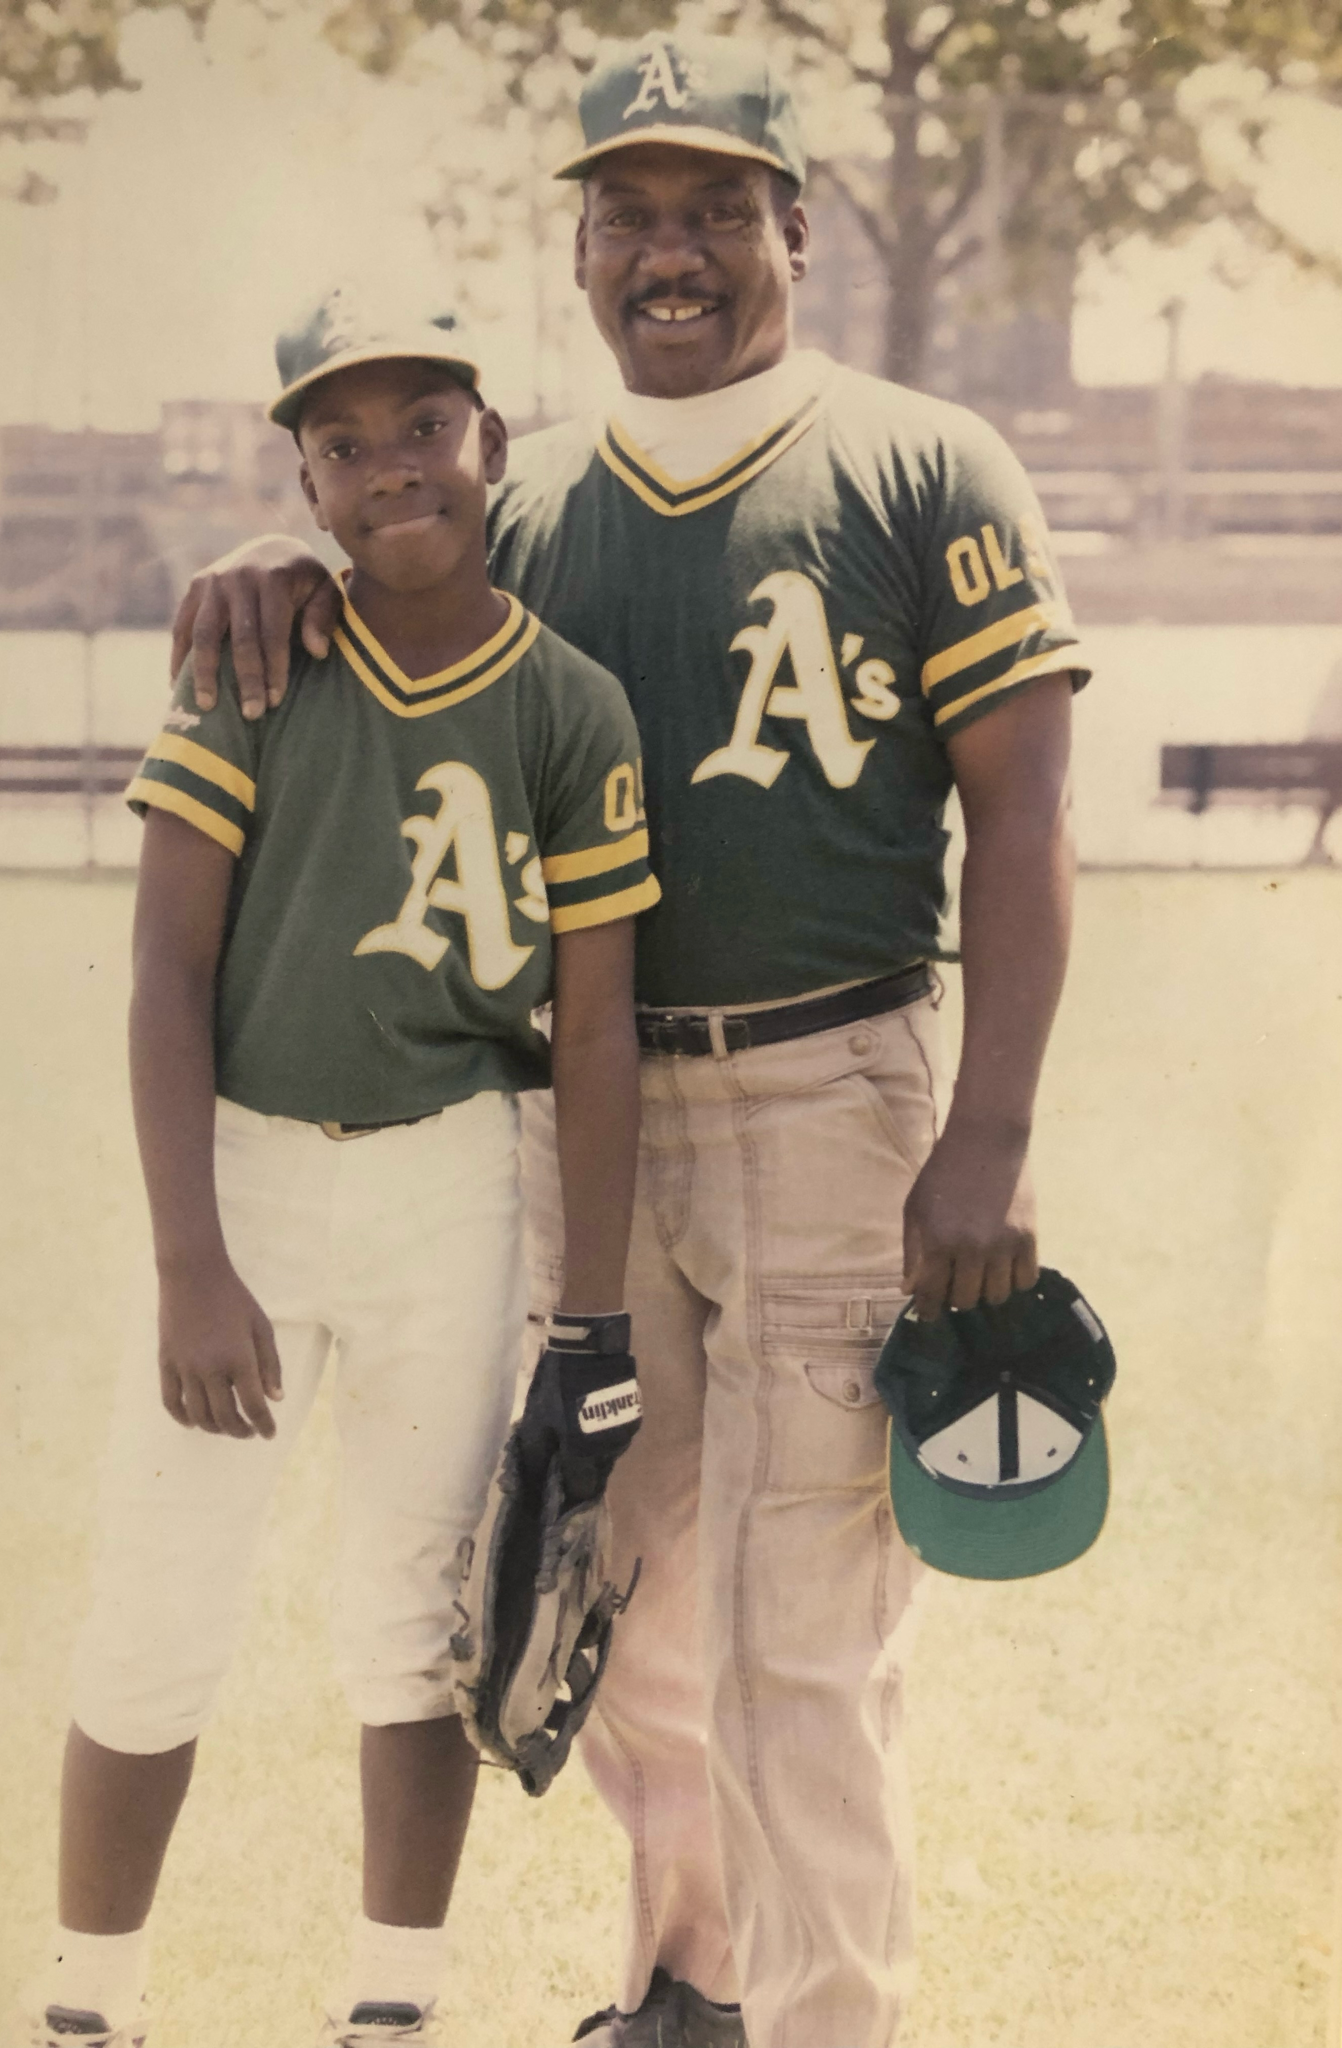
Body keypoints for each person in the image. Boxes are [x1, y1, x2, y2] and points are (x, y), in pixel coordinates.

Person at [170, 33, 1091, 2048]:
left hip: (827, 1093)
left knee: (799, 1632)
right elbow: (376, 596)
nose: (667, 253)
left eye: (710, 212)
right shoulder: (531, 499)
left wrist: (991, 1137)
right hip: (571, 1123)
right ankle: (686, 1977)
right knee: (613, 1606)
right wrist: (271, 562)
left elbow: (1020, 811)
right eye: (627, 216)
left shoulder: (918, 461)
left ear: (791, 224)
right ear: (578, 247)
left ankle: (824, 2021)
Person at [25, 297, 658, 2048]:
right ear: (302, 481)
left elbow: (593, 1034)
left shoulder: (570, 704)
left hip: (454, 1181)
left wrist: (589, 1323)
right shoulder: (256, 667)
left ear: (492, 444)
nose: (393, 469)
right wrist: (187, 1263)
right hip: (244, 1180)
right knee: (162, 1596)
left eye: (424, 427)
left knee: (415, 1609)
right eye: (346, 444)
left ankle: (393, 2003)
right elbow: (164, 971)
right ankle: (87, 2005)